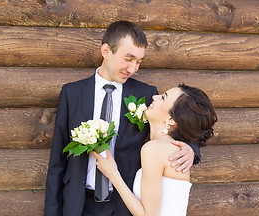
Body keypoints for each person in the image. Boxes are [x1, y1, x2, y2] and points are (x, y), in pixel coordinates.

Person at [44, 21, 201, 216]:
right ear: (106, 51)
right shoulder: (72, 93)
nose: (133, 68)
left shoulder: (147, 95)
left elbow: (176, 121)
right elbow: (57, 161)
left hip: (124, 206)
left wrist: (191, 150)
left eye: (139, 62)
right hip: (78, 204)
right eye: (128, 59)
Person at [93, 84, 217, 216]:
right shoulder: (171, 148)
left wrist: (112, 174)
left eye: (163, 98)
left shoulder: (154, 149)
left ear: (171, 119)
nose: (154, 97)